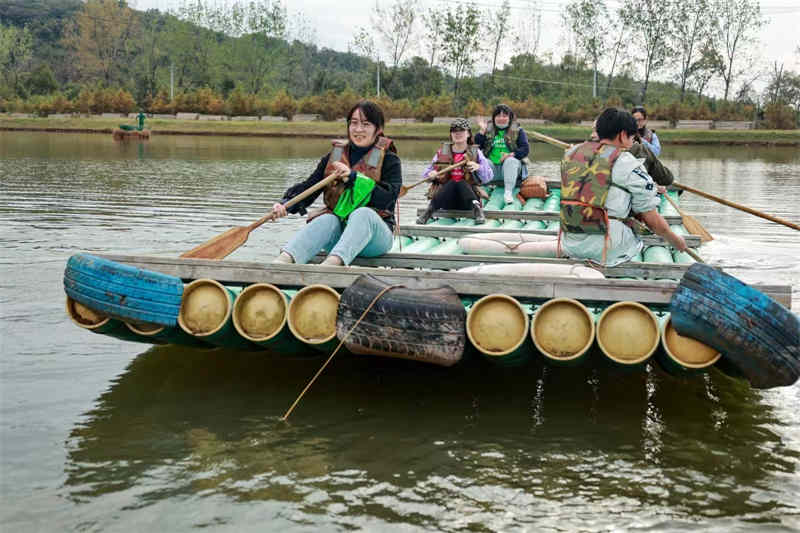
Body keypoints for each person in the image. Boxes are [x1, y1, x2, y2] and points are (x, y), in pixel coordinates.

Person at [272, 101, 401, 266]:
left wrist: (353, 178)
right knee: (327, 219)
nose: (358, 129)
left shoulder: (390, 159)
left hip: (374, 240)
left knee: (363, 214)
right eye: (353, 123)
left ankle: (329, 268)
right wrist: (285, 205)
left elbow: (388, 197)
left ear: (378, 129)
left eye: (366, 124)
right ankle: (281, 263)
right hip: (340, 236)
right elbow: (310, 187)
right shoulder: (335, 156)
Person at [560, 107, 687, 266]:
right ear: (622, 135)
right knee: (637, 234)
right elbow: (652, 220)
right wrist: (676, 241)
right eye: (632, 136)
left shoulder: (571, 153)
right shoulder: (630, 164)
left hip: (569, 242)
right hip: (606, 249)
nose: (633, 140)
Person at [416, 118, 493, 225]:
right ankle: (429, 211)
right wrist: (431, 175)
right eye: (454, 131)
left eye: (461, 131)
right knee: (453, 183)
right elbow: (426, 175)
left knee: (460, 182)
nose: (458, 134)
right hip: (446, 200)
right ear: (451, 134)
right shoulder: (442, 152)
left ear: (468, 134)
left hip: (468, 201)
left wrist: (478, 167)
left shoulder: (476, 153)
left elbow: (488, 177)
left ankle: (477, 210)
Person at [475, 104, 530, 205]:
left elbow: (525, 149)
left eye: (504, 116)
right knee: (482, 162)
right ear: (494, 118)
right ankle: (479, 191)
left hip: (510, 171)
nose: (501, 118)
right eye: (498, 116)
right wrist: (482, 131)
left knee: (511, 161)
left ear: (510, 118)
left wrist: (510, 155)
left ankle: (508, 193)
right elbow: (476, 147)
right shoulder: (488, 129)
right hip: (492, 172)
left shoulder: (518, 130)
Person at [590, 119, 673, 186]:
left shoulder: (589, 151)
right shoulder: (639, 150)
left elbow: (666, 178)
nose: (592, 135)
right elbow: (666, 179)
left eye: (596, 131)